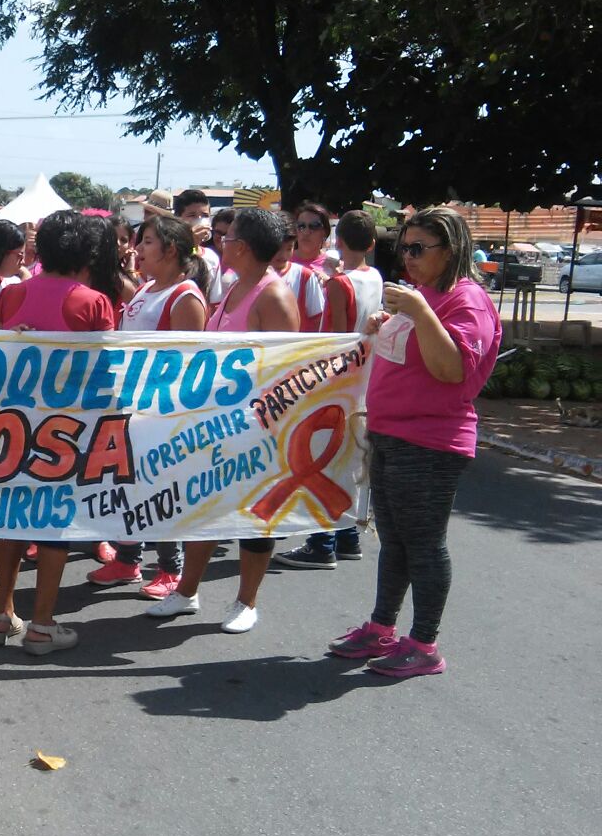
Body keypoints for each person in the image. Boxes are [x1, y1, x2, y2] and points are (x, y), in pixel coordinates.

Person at [328, 206, 499, 677]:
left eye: (419, 248)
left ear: (452, 249)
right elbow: (413, 354)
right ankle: (382, 628)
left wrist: (421, 313)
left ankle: (424, 643)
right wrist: (384, 326)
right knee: (397, 542)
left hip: (429, 440)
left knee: (424, 545)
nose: (408, 257)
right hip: (392, 434)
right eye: (404, 247)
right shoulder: (422, 295)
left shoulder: (466, 301)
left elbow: (454, 372)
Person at [146, 208, 299, 633]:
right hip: (216, 425)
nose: (220, 243)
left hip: (256, 429)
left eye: (227, 237)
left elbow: (287, 373)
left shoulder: (274, 296)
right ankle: (187, 591)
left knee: (254, 516)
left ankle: (246, 601)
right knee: (204, 507)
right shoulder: (233, 286)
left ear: (243, 247)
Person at [0, 211, 118, 655]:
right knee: (54, 525)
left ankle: (2, 616)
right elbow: (106, 375)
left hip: (10, 427)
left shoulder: (12, 295)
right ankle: (42, 625)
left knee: (10, 521)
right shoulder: (93, 303)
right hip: (64, 433)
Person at [88, 214, 208, 598]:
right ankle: (128, 559)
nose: (139, 249)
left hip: (161, 410)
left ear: (171, 250)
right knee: (131, 485)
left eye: (148, 242)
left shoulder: (185, 296)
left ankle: (171, 568)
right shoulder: (147, 288)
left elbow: (188, 363)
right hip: (130, 406)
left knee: (161, 486)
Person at [276, 209, 381, 570]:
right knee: (349, 456)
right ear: (370, 243)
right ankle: (347, 535)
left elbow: (335, 337)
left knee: (322, 458)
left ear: (336, 239)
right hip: (365, 376)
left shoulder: (338, 284)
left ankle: (322, 541)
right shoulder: (375, 276)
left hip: (337, 377)